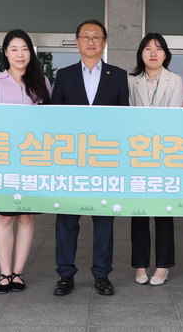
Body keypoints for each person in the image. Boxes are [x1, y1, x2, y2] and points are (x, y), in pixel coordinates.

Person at [51, 19, 129, 296]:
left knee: (104, 220)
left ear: (105, 42)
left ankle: (102, 275)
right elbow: (55, 117)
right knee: (66, 220)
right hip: (71, 159)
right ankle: (65, 275)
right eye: (86, 36)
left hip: (105, 159)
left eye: (97, 37)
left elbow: (123, 117)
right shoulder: (64, 75)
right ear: (77, 42)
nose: (91, 41)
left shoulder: (117, 75)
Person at [0, 29, 52, 294]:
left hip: (33, 159)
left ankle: (18, 273)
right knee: (4, 217)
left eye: (25, 48)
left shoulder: (42, 82)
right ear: (6, 53)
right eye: (14, 49)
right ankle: (4, 274)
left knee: (26, 216)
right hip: (5, 158)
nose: (20, 54)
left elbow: (50, 121)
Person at [128, 33, 183, 286]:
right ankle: (140, 265)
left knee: (163, 212)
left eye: (159, 49)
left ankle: (163, 266)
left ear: (165, 54)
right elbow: (128, 115)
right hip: (138, 153)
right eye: (148, 48)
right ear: (141, 53)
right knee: (138, 213)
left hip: (164, 154)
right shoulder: (131, 81)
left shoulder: (175, 80)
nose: (153, 53)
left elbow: (174, 118)